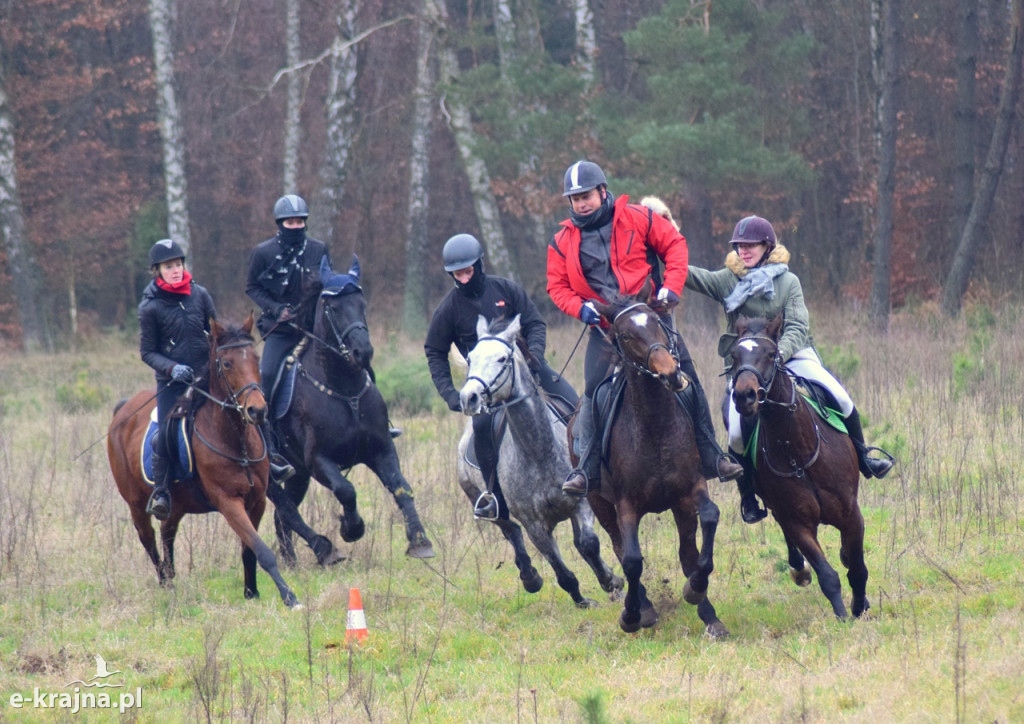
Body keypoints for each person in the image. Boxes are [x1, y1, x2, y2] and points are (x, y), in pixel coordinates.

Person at [547, 160, 743, 496]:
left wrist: (672, 286)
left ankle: (712, 455)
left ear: (602, 191)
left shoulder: (638, 217)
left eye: (586, 195)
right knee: (594, 390)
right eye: (575, 197)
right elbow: (557, 285)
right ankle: (587, 469)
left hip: (650, 317)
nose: (581, 202)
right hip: (606, 327)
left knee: (688, 377)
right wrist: (579, 308)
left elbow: (675, 246)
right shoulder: (562, 240)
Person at [685, 214, 895, 523]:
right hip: (746, 367)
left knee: (842, 399)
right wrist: (661, 250)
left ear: (767, 246)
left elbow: (797, 326)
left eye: (751, 245)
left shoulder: (788, 281)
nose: (744, 250)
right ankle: (749, 497)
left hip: (793, 355)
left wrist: (779, 354)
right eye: (739, 246)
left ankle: (864, 457)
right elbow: (691, 276)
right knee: (735, 437)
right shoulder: (729, 279)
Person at [426, 233, 579, 519]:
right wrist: (449, 393)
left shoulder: (505, 289)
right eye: (457, 274)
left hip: (527, 367)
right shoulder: (448, 309)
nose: (463, 278)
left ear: (479, 265)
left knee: (574, 404)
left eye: (467, 271)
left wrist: (535, 357)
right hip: (488, 384)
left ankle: (591, 471)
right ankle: (493, 498)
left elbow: (534, 322)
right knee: (482, 428)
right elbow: (434, 351)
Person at [245, 193, 332, 483]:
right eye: (289, 222)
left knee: (354, 358)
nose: (295, 226)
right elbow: (252, 288)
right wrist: (275, 310)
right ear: (280, 224)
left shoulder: (319, 250)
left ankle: (378, 423)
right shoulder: (263, 253)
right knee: (267, 375)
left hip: (314, 330)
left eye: (299, 222)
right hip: (280, 332)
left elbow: (326, 284)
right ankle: (268, 443)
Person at [138, 238, 217, 521]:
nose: (175, 270)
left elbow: (216, 332)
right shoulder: (149, 308)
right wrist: (172, 369)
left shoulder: (201, 295)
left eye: (179, 264)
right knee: (166, 432)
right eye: (169, 266)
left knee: (247, 406)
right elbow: (147, 352)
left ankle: (275, 462)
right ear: (157, 270)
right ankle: (161, 492)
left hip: (206, 376)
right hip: (172, 383)